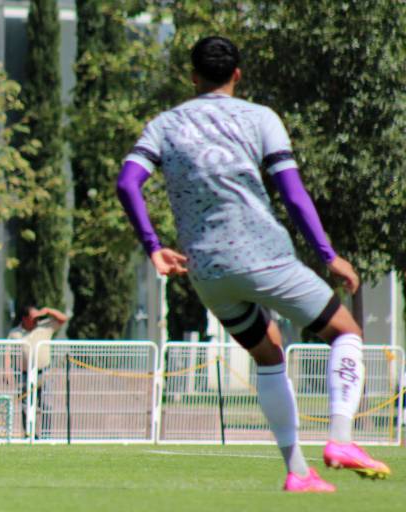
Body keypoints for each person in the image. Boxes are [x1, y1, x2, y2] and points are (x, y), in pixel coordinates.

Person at [116, 36, 389, 492]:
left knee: (268, 352)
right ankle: (342, 440)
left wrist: (153, 246)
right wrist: (328, 255)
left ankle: (298, 472)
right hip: (265, 257)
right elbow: (293, 194)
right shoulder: (261, 118)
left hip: (207, 270)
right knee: (345, 332)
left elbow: (127, 183)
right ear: (237, 75)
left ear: (193, 76)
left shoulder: (164, 125)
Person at [5, 305, 67, 438]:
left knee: (47, 405)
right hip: (24, 374)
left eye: (37, 317)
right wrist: (7, 371)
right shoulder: (15, 333)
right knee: (26, 406)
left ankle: (45, 436)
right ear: (24, 318)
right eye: (33, 318)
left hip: (44, 372)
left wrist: (48, 310)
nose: (36, 320)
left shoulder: (45, 327)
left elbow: (63, 318)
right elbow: (8, 353)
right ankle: (29, 435)